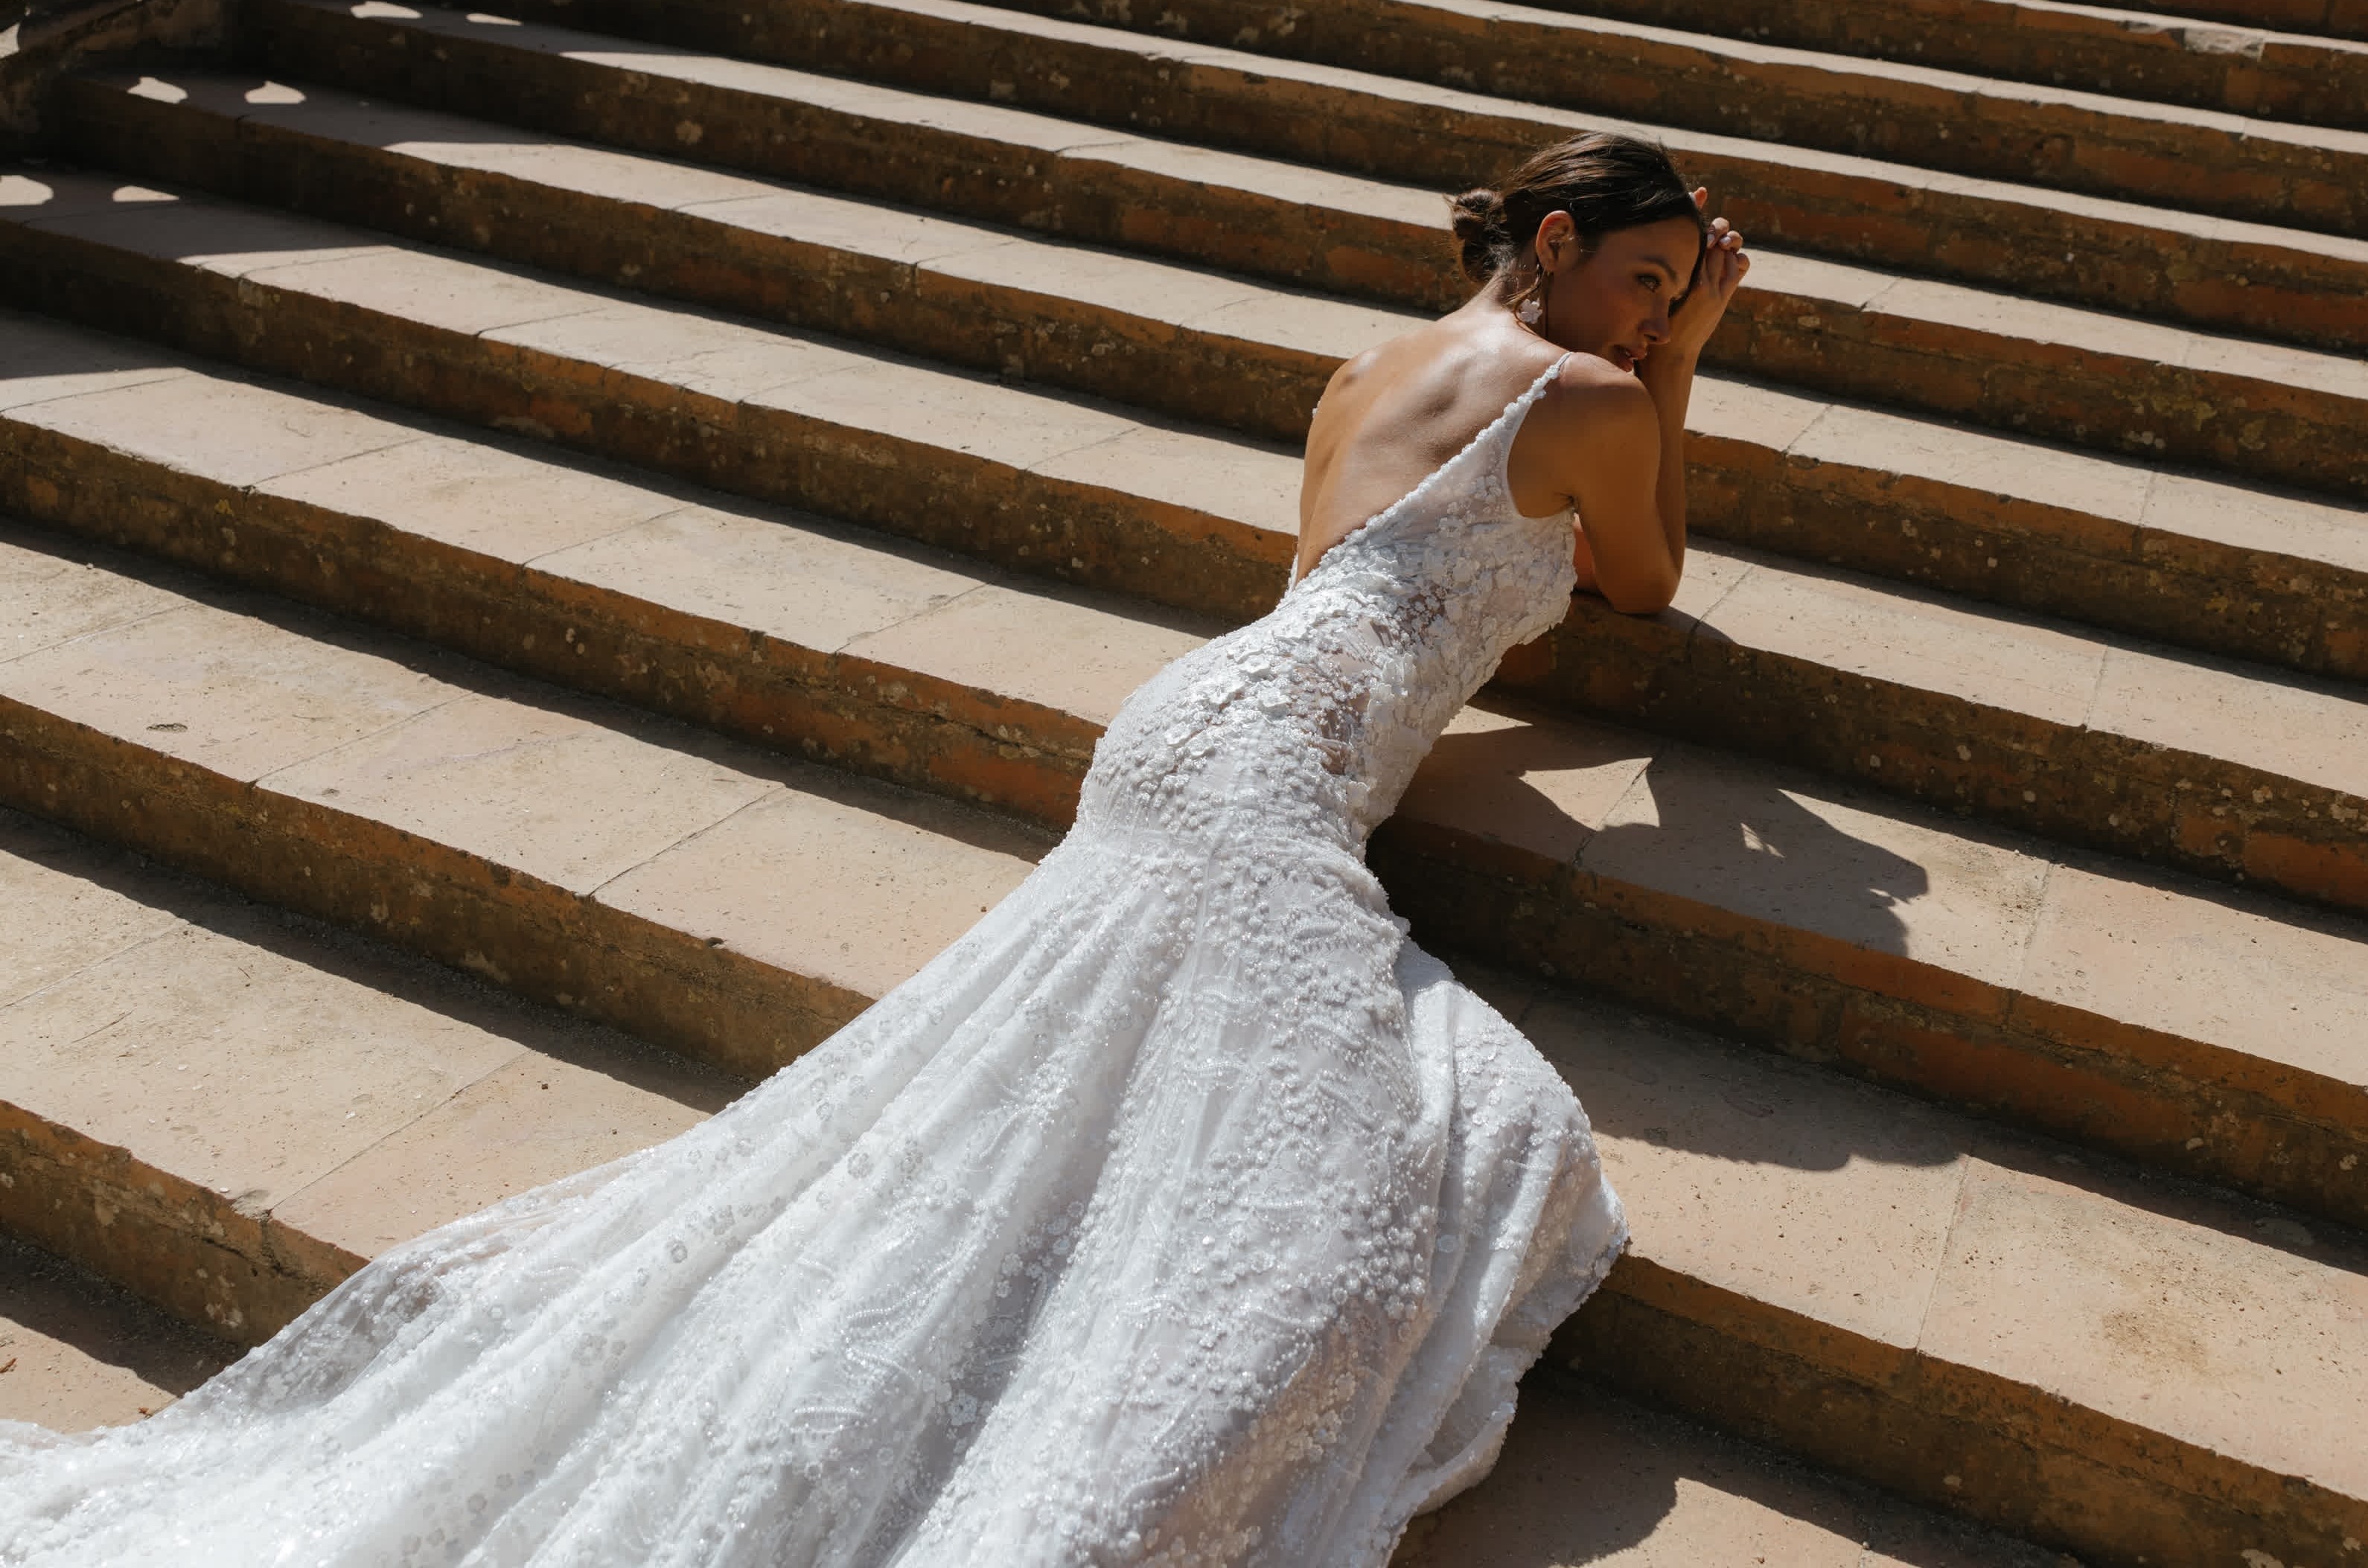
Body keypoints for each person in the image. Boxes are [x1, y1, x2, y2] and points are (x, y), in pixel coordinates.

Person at [0, 131, 1747, 1567]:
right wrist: (1685, 364)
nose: (1653, 311)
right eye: (1642, 278)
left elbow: (1362, 571)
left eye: (1670, 295)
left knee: (1080, 1087)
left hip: (1195, 716)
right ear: (1550, 237)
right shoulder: (1596, 396)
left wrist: (1637, 367)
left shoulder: (1371, 365)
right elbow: (1649, 574)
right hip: (1267, 764)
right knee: (1474, 1133)